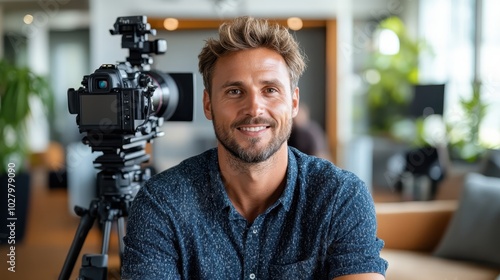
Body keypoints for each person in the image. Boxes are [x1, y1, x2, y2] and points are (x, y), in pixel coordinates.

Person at [122, 16, 387, 279]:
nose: (254, 109)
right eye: (235, 91)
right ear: (208, 104)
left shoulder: (340, 197)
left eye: (270, 90)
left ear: (294, 103)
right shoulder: (162, 203)